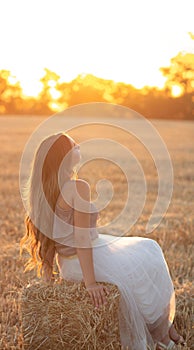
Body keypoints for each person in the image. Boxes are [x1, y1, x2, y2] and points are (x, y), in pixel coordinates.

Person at [20, 132, 185, 350]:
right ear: (63, 156)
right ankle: (164, 337)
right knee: (149, 253)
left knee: (145, 251)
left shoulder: (46, 193)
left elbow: (49, 241)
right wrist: (90, 283)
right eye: (73, 145)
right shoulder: (77, 187)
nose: (78, 145)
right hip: (85, 258)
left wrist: (49, 278)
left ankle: (165, 328)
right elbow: (81, 239)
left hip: (68, 264)